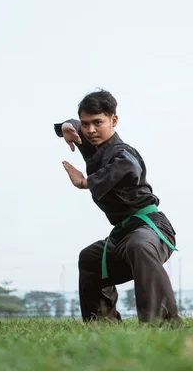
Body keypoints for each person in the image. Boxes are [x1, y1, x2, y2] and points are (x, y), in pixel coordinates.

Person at [54, 89, 181, 326]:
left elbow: (128, 167)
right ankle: (104, 327)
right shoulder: (92, 144)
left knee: (139, 245)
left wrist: (86, 182)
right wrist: (66, 127)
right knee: (90, 258)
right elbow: (74, 126)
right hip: (122, 234)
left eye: (98, 123)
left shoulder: (123, 152)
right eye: (85, 124)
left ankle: (164, 325)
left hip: (151, 229)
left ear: (114, 120)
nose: (90, 130)